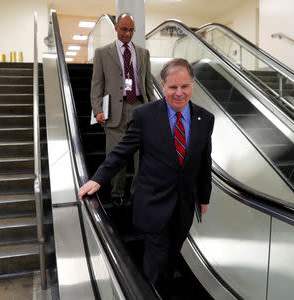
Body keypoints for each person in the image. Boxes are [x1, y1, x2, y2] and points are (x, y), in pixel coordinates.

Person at [80, 58, 214, 295]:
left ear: (192, 85)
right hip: (153, 204)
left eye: (185, 86)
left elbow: (204, 161)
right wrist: (97, 178)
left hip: (183, 205)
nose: (179, 93)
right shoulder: (145, 115)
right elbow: (122, 151)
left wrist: (203, 197)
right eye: (173, 87)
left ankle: (163, 290)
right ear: (163, 86)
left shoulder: (204, 118)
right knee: (156, 259)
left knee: (172, 256)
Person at [90, 12, 155, 205]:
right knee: (116, 156)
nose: (127, 34)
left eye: (131, 30)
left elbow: (148, 83)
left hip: (140, 108)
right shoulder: (103, 53)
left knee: (142, 157)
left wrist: (153, 108)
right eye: (124, 29)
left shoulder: (143, 53)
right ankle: (117, 194)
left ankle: (137, 193)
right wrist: (97, 109)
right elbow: (97, 84)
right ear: (116, 28)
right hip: (115, 111)